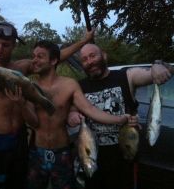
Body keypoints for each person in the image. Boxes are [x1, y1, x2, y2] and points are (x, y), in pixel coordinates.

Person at [0, 0, 95, 189]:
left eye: (5, 44)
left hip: (21, 141)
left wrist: (84, 41)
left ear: (13, 45)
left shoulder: (22, 67)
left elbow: (55, 58)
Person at [27, 40, 133, 189]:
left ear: (53, 60)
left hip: (62, 152)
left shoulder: (69, 84)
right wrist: (21, 103)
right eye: (34, 56)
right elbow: (32, 123)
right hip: (37, 151)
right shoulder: (30, 86)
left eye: (40, 56)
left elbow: (89, 109)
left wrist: (119, 119)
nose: (34, 60)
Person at [69, 43, 173, 189]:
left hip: (124, 157)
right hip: (93, 158)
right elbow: (72, 110)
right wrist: (72, 115)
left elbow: (153, 73)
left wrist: (157, 65)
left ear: (104, 55)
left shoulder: (127, 76)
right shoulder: (79, 86)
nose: (89, 61)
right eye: (84, 59)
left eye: (93, 55)